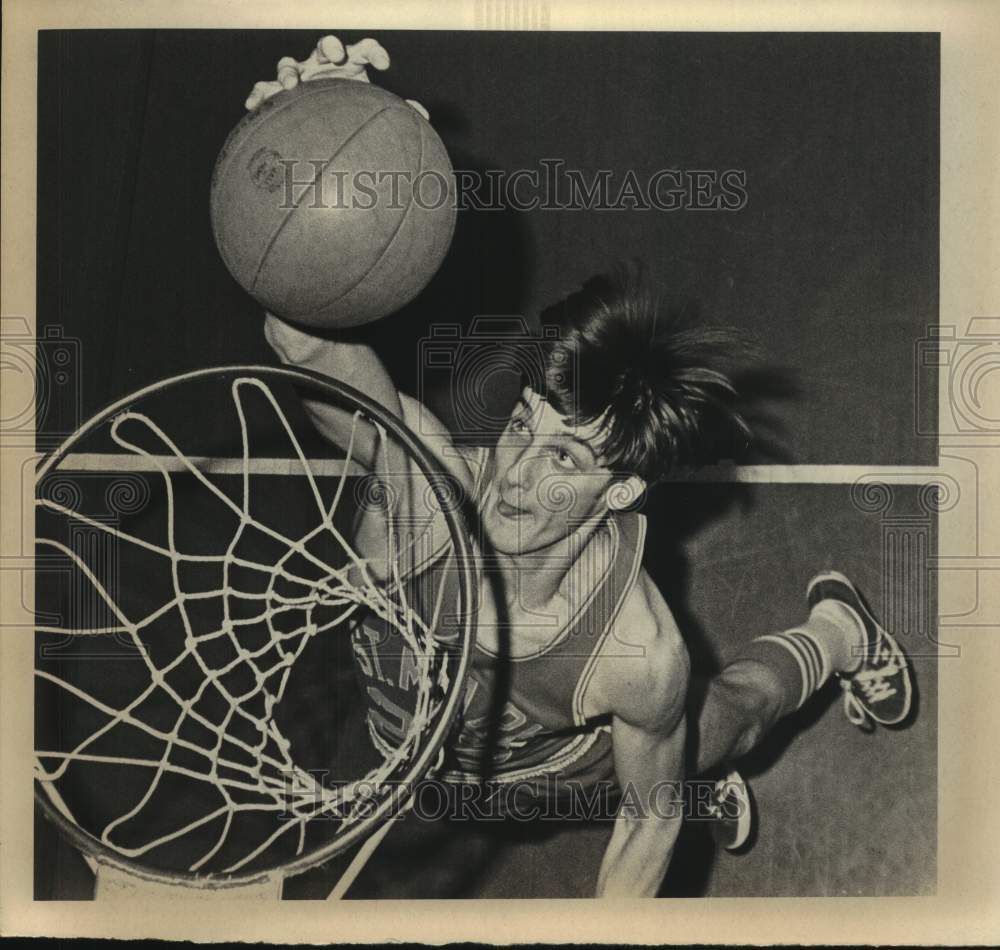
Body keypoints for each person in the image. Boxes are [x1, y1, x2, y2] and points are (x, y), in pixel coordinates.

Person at [248, 36, 913, 897]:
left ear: (624, 488)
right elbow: (299, 334)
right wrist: (296, 142)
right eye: (522, 424)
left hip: (573, 764)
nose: (515, 472)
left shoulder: (635, 653)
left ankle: (838, 633)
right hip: (411, 749)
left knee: (728, 729)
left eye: (563, 455)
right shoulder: (416, 490)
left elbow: (647, 822)